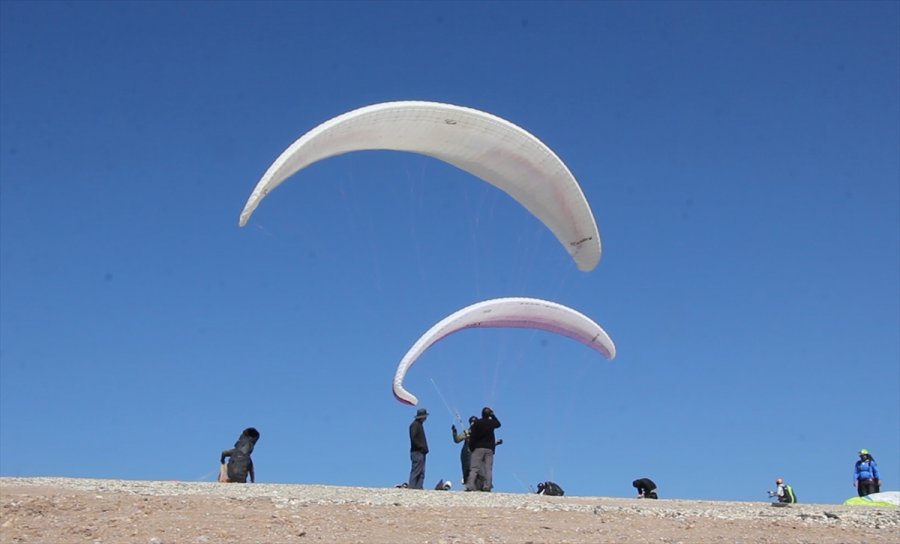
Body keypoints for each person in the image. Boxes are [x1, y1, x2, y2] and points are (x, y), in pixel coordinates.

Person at [465, 406, 501, 492]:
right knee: (488, 468)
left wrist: (471, 447)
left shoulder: (477, 423)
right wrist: (493, 415)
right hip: (489, 449)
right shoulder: (491, 423)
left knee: (474, 468)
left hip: (478, 448)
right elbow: (498, 424)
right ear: (489, 414)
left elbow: (473, 436)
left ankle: (470, 485)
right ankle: (487, 486)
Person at [452, 416, 477, 484]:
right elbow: (457, 440)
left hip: (476, 452)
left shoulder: (481, 431)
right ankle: (468, 483)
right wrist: (454, 432)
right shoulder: (467, 432)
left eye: (474, 422)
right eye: (472, 422)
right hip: (467, 451)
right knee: (466, 468)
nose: (473, 423)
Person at [408, 408, 429, 489]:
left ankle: (418, 487)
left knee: (422, 472)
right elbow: (413, 438)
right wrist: (420, 447)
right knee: (416, 470)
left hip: (421, 452)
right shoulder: (414, 425)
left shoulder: (419, 425)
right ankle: (412, 487)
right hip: (417, 452)